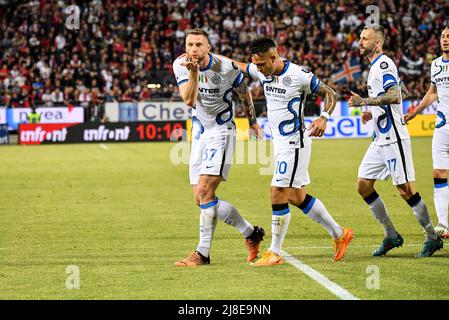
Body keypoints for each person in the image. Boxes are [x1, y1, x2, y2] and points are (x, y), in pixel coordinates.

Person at [227, 38, 354, 265]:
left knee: (277, 192)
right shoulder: (262, 71)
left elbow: (331, 93)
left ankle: (275, 252)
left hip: (295, 143)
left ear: (274, 57)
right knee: (296, 196)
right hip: (281, 144)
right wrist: (212, 58)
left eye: (262, 64)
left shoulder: (298, 75)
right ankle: (339, 234)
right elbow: (239, 66)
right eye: (255, 64)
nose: (259, 69)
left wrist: (324, 117)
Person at [173, 28, 266, 266]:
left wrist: (253, 122)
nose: (193, 49)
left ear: (208, 48)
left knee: (205, 191)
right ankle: (251, 233)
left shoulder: (226, 68)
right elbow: (189, 100)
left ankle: (202, 254)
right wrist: (193, 73)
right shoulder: (180, 65)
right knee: (201, 197)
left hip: (222, 132)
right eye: (189, 44)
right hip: (200, 133)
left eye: (198, 45)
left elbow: (245, 94)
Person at [348, 24, 443, 257]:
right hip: (379, 138)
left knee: (405, 189)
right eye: (360, 38)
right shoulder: (376, 68)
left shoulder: (382, 64)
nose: (360, 42)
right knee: (363, 185)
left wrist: (365, 103)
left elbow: (395, 95)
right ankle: (391, 234)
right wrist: (376, 112)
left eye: (364, 38)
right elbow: (403, 91)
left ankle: (432, 237)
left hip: (394, 138)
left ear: (377, 43)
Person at [404, 27, 449, 238]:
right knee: (438, 173)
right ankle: (443, 223)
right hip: (442, 126)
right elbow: (432, 94)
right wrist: (415, 112)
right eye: (443, 37)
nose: (445, 40)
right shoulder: (436, 65)